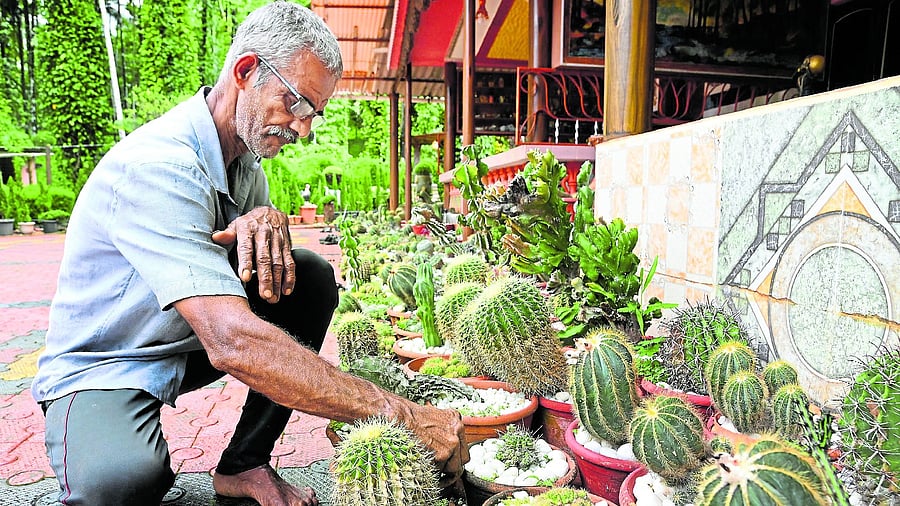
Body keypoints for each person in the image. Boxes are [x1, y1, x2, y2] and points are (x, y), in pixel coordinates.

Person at [30, 3, 467, 506]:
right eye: (297, 103)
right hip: (109, 362)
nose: (304, 129)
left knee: (308, 276)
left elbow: (253, 291)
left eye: (314, 114)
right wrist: (401, 415)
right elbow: (233, 340)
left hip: (181, 343)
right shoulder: (156, 166)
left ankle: (244, 464)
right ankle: (95, 431)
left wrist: (258, 227)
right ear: (246, 71)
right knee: (122, 481)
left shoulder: (246, 170)